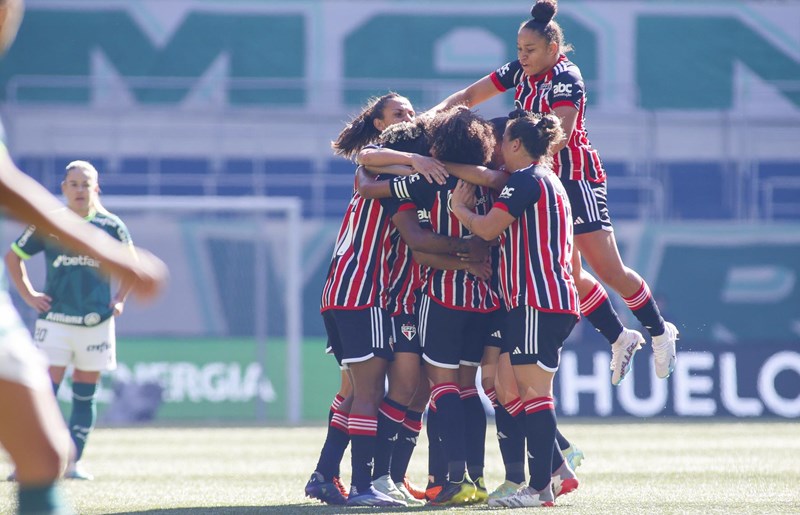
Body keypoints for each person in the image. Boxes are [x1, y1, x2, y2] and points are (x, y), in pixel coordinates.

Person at [431, 0, 678, 385]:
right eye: (518, 50)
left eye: (530, 51)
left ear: (552, 48)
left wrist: (507, 158)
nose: (522, 57)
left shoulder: (567, 78)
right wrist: (431, 120)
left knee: (608, 268)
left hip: (574, 178)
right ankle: (620, 337)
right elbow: (468, 95)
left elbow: (557, 136)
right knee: (569, 273)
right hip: (537, 178)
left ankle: (661, 332)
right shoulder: (521, 72)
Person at [450, 111, 579, 507]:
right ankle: (557, 469)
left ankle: (540, 488)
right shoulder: (545, 180)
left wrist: (459, 210)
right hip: (534, 302)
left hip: (537, 301)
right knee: (508, 389)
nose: (498, 147)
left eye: (503, 140)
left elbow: (487, 229)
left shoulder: (526, 181)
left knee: (534, 393)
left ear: (517, 144)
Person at [5, 161, 132, 480]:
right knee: (43, 393)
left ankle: (74, 463)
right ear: (63, 188)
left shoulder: (111, 225)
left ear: (96, 188)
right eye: (73, 183)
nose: (79, 189)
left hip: (96, 323)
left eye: (86, 184)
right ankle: (30, 463)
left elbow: (131, 265)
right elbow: (13, 257)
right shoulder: (49, 222)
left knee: (84, 394)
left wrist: (119, 299)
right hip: (56, 323)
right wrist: (29, 295)